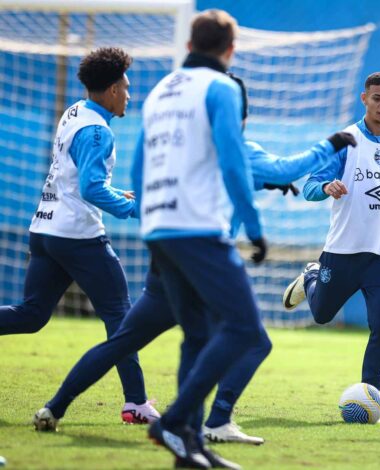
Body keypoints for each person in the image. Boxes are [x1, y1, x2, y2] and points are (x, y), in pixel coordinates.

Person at [31, 73, 352, 447]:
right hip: (204, 267)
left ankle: (54, 407)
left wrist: (263, 182)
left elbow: (225, 176)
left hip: (164, 262)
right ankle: (213, 422)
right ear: (239, 117)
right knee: (252, 341)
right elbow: (282, 168)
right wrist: (331, 144)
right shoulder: (241, 147)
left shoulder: (183, 147)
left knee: (123, 341)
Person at [132, 10, 268, 468]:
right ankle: (171, 422)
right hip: (197, 227)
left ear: (190, 45)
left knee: (197, 334)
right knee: (245, 330)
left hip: (158, 226)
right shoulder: (223, 88)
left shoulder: (159, 91)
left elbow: (138, 166)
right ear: (230, 50)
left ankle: (188, 445)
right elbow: (233, 162)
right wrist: (252, 227)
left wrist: (148, 225)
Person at [0, 47, 158, 425]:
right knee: (121, 315)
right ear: (113, 90)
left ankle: (134, 400)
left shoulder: (75, 112)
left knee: (32, 314)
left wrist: (118, 194)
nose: (130, 95)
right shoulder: (99, 132)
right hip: (78, 236)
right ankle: (135, 402)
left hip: (44, 229)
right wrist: (137, 209)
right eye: (126, 86)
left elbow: (77, 178)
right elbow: (90, 189)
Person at [282, 72, 380, 398]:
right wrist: (325, 187)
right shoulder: (344, 141)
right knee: (321, 316)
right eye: (377, 98)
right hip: (346, 248)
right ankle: (311, 274)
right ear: (364, 99)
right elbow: (308, 188)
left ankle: (369, 396)